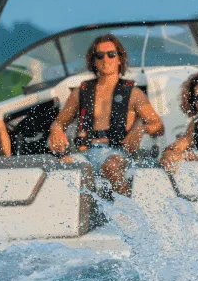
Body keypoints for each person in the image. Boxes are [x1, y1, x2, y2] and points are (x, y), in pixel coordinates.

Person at [48, 33, 164, 194]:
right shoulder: (80, 93)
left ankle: (127, 209)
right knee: (62, 168)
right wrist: (56, 131)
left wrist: (140, 127)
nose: (105, 59)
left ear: (119, 59)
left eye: (111, 54)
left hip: (117, 153)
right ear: (94, 61)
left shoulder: (134, 94)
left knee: (111, 166)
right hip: (84, 154)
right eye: (99, 55)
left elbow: (158, 126)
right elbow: (60, 122)